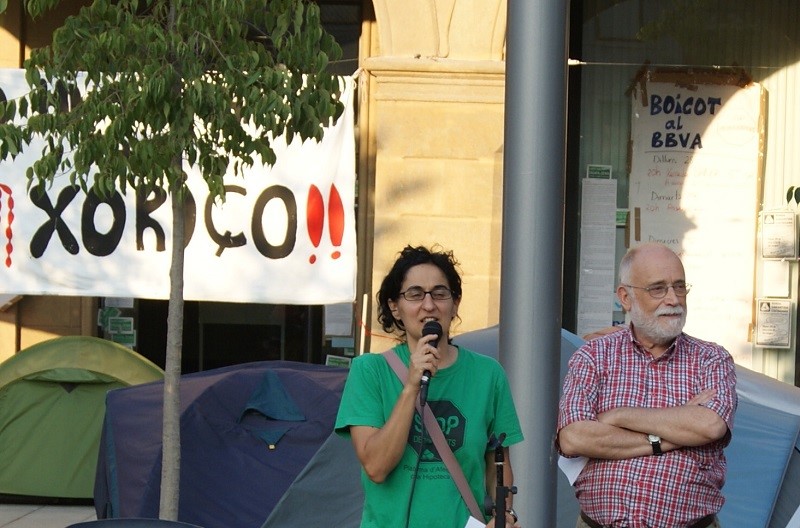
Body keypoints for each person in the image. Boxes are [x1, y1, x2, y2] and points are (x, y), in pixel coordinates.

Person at [335, 245, 523, 528]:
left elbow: (497, 465)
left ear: (455, 304)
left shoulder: (488, 375)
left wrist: (504, 515)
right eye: (414, 294)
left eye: (440, 293)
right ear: (395, 307)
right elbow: (375, 467)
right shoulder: (370, 371)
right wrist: (411, 385)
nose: (428, 305)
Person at [557, 243, 737, 528]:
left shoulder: (711, 358)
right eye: (658, 289)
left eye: (679, 287)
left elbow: (710, 426)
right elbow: (574, 438)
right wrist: (671, 435)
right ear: (625, 297)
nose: (673, 299)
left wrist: (620, 416)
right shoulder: (594, 356)